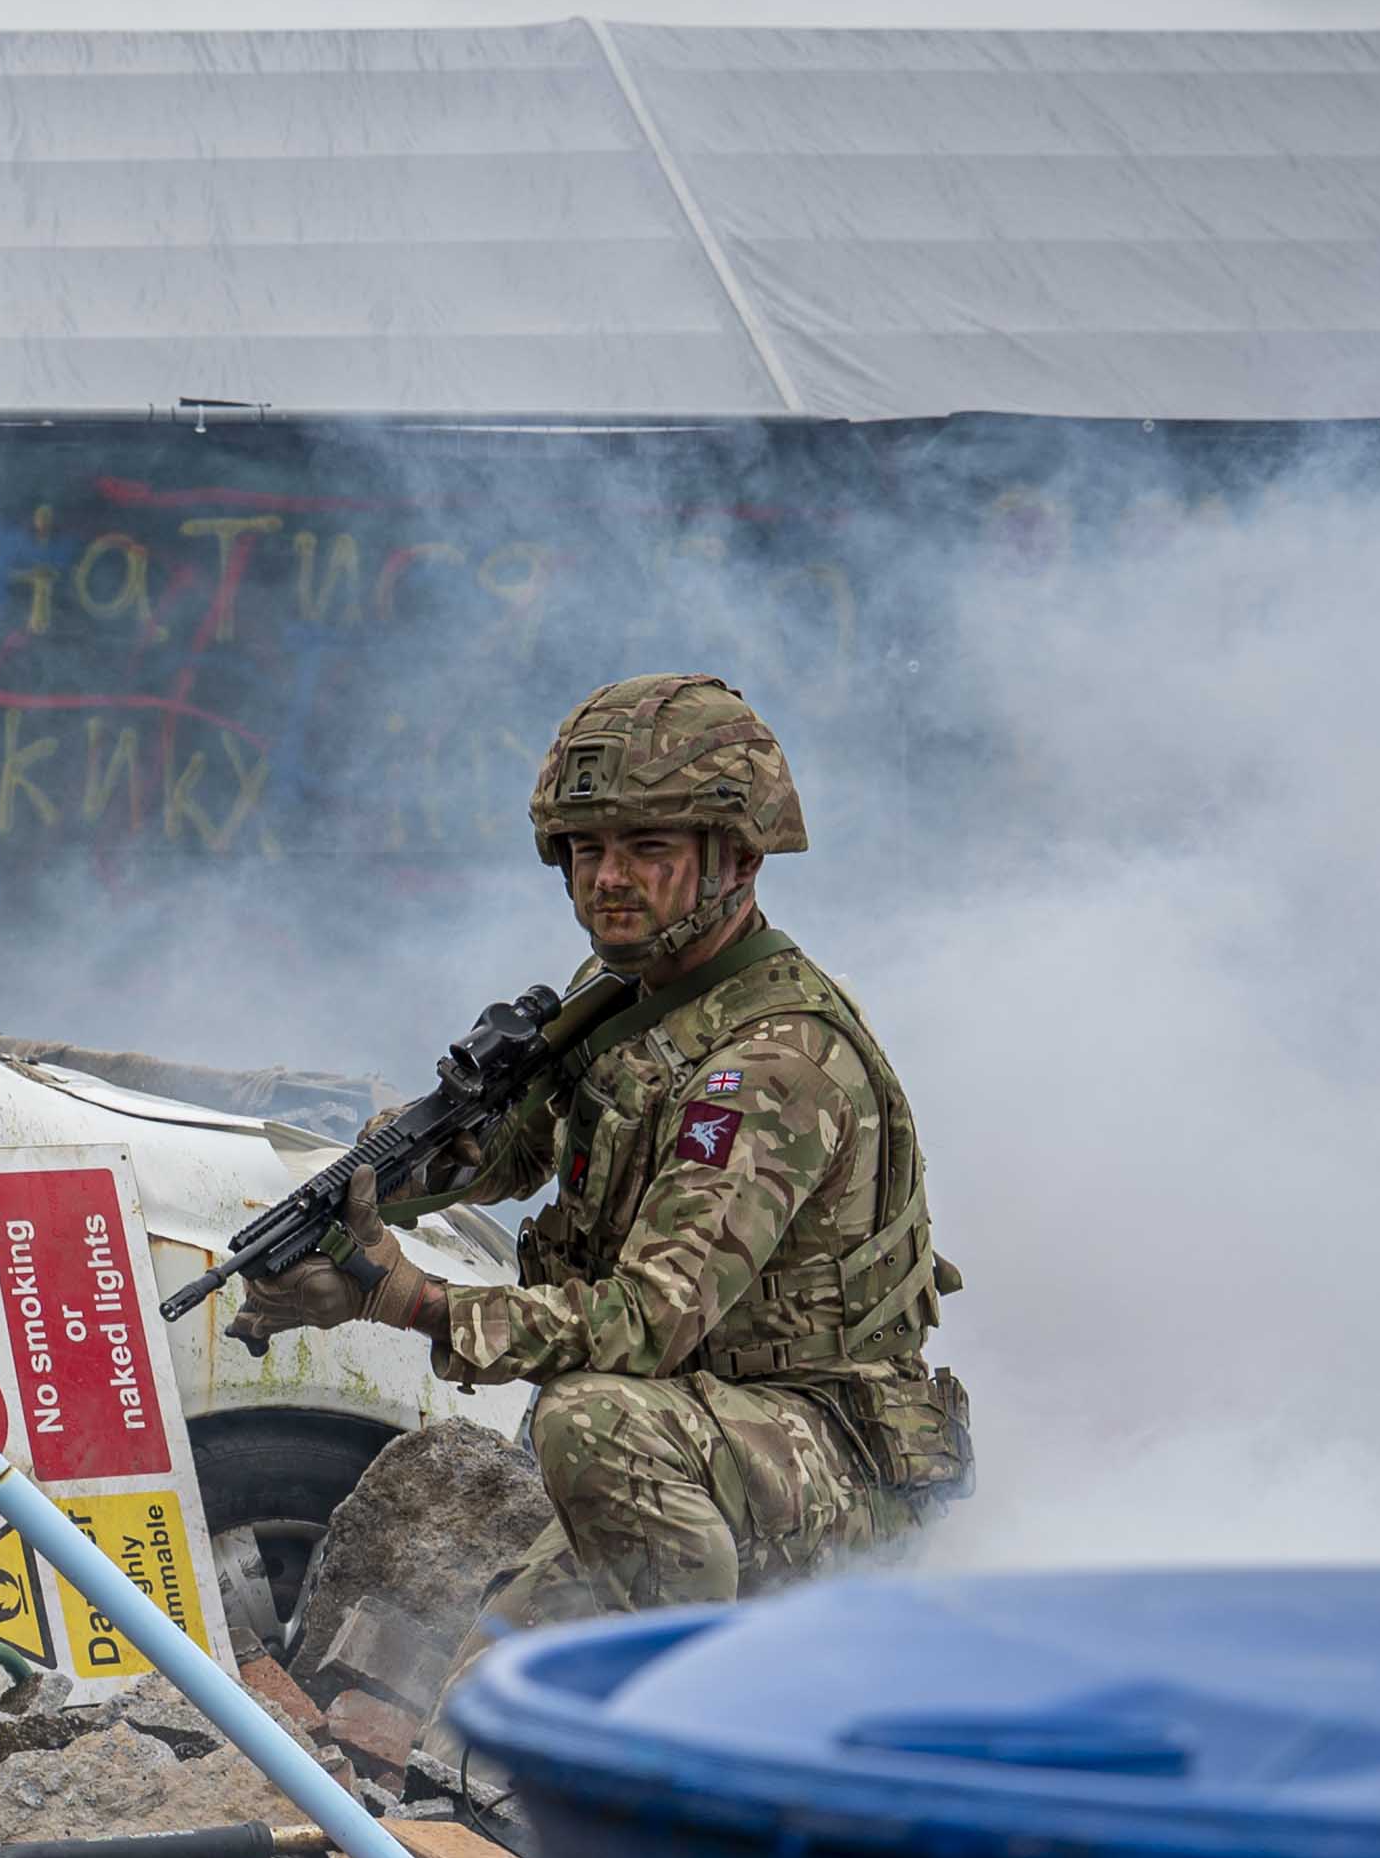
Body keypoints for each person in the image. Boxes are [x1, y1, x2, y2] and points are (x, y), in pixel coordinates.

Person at [236, 673, 968, 1610]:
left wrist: (405, 1300)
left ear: (738, 859)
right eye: (586, 849)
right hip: (699, 1441)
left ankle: (695, 1722)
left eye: (648, 847)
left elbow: (644, 1325)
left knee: (590, 1420)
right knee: (477, 1732)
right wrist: (393, 1172)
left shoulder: (772, 1065)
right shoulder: (628, 988)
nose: (608, 879)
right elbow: (528, 1149)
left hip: (822, 1460)